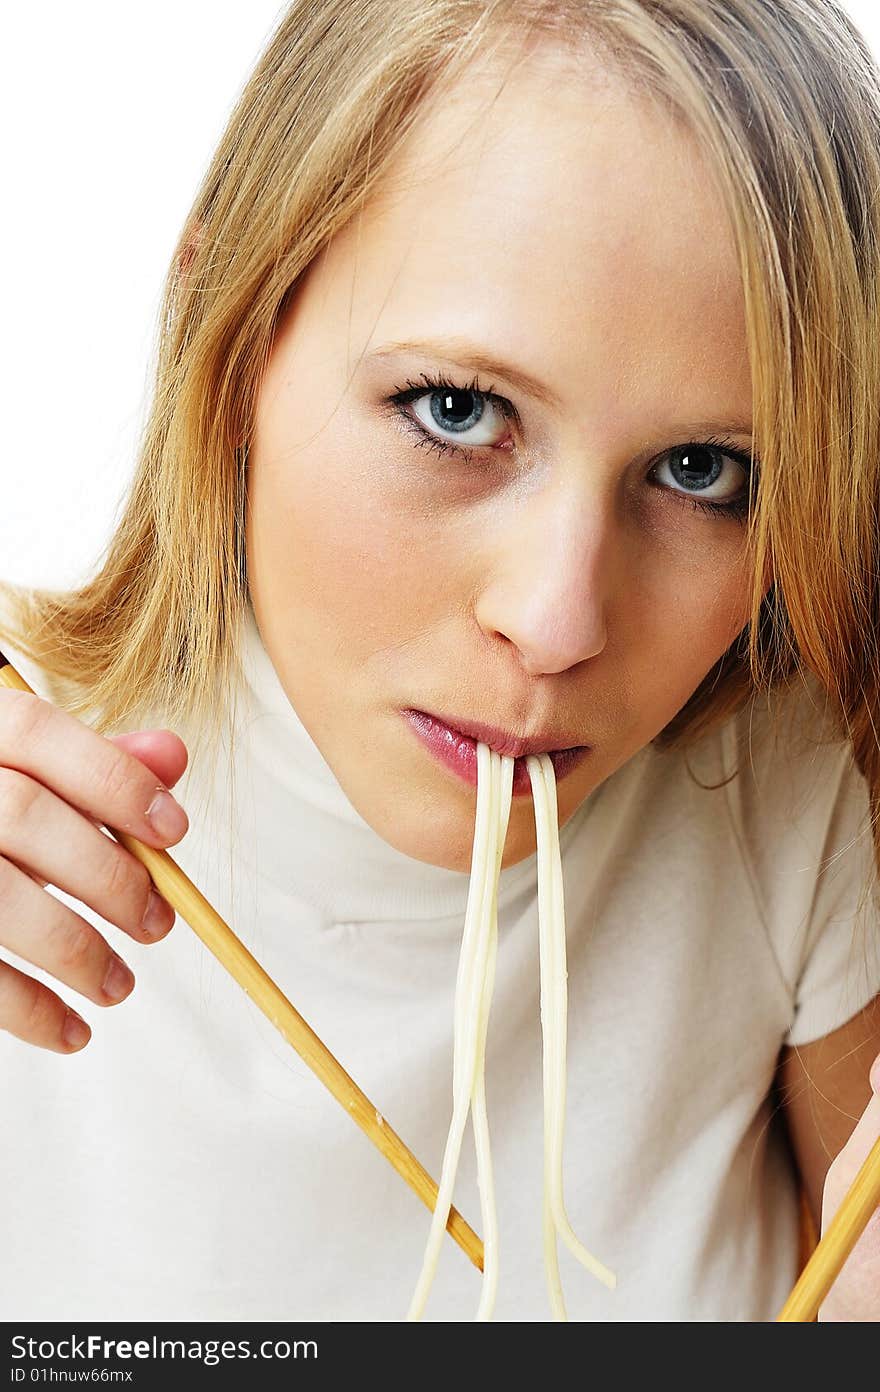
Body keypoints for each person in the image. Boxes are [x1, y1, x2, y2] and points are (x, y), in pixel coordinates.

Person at [1, 0, 879, 1322]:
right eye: (456, 410)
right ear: (224, 342)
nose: (558, 620)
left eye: (706, 472)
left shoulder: (799, 790)